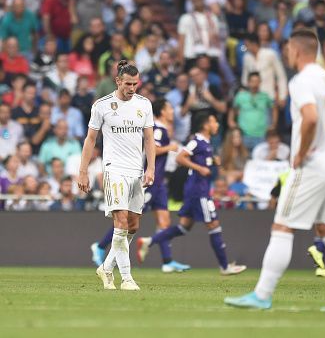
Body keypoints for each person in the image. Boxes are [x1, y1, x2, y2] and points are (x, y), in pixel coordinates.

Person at [224, 28, 325, 311]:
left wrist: (300, 154)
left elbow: (310, 117)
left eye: (288, 49)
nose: (286, 53)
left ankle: (262, 295)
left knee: (282, 226)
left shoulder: (301, 81)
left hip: (313, 166)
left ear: (297, 51)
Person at [136, 112, 246, 276]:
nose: (217, 125)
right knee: (213, 225)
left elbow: (198, 159)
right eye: (214, 121)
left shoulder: (206, 144)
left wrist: (212, 162)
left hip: (195, 190)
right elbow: (181, 158)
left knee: (184, 227)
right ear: (205, 125)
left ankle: (149, 241)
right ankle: (225, 267)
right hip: (198, 192)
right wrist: (199, 168)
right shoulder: (197, 141)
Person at [79, 60, 156, 291]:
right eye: (128, 84)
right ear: (118, 81)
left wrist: (150, 168)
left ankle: (106, 267)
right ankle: (127, 278)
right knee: (120, 222)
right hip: (114, 169)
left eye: (135, 83)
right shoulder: (102, 106)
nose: (132, 88)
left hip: (136, 170)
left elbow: (149, 139)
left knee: (132, 226)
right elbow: (90, 140)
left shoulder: (144, 104)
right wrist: (83, 171)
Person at [91, 99, 189, 273]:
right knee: (128, 219)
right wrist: (170, 147)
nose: (172, 112)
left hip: (159, 183)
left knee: (164, 221)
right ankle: (99, 246)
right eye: (170, 108)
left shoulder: (163, 129)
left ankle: (167, 260)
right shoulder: (158, 129)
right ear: (162, 112)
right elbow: (154, 148)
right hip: (149, 181)